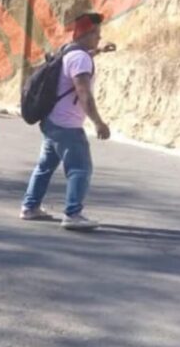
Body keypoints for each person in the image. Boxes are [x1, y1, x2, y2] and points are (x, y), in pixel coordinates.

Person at [20, 12, 113, 231]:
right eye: (97, 34)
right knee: (81, 168)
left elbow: (79, 61)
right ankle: (73, 214)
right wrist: (98, 122)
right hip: (67, 126)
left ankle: (30, 207)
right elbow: (84, 93)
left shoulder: (68, 50)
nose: (99, 38)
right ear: (88, 34)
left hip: (51, 121)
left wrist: (98, 52)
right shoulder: (80, 59)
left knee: (44, 166)